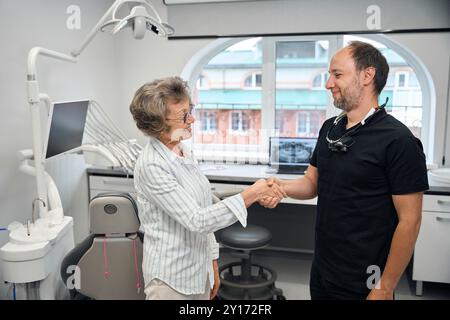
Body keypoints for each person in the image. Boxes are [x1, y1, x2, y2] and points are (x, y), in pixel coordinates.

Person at [260, 41, 429, 300]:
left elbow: (410, 221)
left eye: (337, 75)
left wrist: (385, 287)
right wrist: (278, 187)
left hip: (367, 278)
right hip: (324, 269)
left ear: (366, 75)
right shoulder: (330, 128)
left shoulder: (398, 140)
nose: (328, 83)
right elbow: (311, 183)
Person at [129, 76, 286, 300]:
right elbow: (198, 220)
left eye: (190, 109)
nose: (192, 118)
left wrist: (212, 262)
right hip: (170, 280)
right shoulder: (152, 165)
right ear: (158, 124)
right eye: (184, 115)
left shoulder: (182, 150)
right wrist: (251, 194)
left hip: (197, 271)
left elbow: (204, 205)